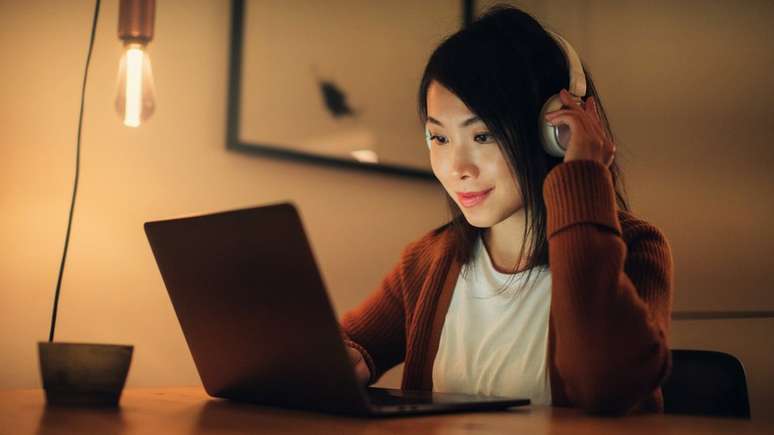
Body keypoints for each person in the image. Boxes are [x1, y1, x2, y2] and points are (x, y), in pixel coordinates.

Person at [340, 4, 673, 415]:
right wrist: (346, 359)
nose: (458, 168)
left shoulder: (638, 247)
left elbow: (603, 386)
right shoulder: (428, 261)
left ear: (554, 130)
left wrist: (584, 173)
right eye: (439, 138)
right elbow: (348, 346)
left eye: (483, 135)